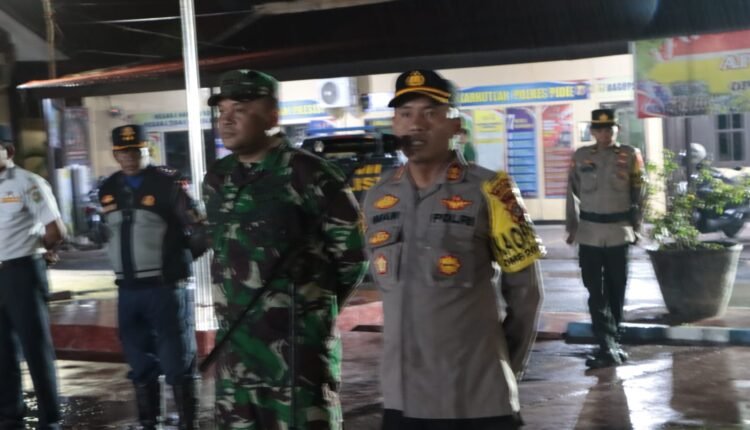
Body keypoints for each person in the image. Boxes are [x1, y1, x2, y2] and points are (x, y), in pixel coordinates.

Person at [363, 69, 544, 430]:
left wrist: (504, 367)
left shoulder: (493, 190)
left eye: (430, 113)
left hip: (476, 400)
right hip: (401, 401)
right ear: (395, 125)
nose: (416, 124)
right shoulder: (377, 196)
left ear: (455, 125)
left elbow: (526, 295)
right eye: (405, 113)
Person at [202, 69, 367, 429]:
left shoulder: (311, 174)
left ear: (272, 115)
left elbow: (352, 258)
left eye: (240, 109)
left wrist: (309, 310)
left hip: (296, 360)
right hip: (235, 358)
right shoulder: (217, 179)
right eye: (222, 110)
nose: (226, 119)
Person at [99, 124, 208, 429]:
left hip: (165, 289)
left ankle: (188, 423)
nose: (129, 157)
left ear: (147, 149)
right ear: (115, 154)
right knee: (139, 361)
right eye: (122, 152)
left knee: (177, 360)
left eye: (136, 151)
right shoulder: (109, 188)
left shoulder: (168, 184)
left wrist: (178, 262)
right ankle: (149, 422)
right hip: (127, 290)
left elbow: (201, 231)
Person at [565, 109, 646, 369]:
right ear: (592, 131)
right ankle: (607, 343)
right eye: (599, 129)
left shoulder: (630, 155)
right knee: (594, 290)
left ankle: (611, 341)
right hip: (589, 232)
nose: (604, 133)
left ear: (617, 130)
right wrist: (572, 227)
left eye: (609, 129)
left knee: (616, 288)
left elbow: (640, 192)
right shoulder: (581, 156)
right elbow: (571, 192)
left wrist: (636, 227)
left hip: (618, 231)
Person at [0, 129, 66, 430]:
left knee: (35, 347)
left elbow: (56, 230)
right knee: (2, 351)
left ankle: (49, 417)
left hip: (22, 272)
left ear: (9, 151)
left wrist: (42, 251)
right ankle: (9, 414)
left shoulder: (28, 182)